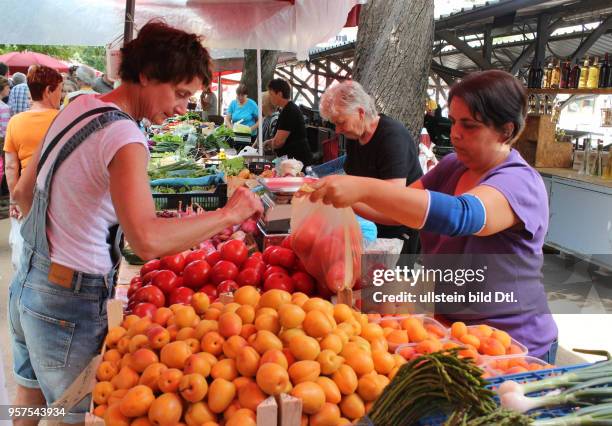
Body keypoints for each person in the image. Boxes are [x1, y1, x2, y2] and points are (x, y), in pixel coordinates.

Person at [9, 20, 262, 424]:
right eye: (179, 93)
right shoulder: (125, 135)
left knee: (30, 400)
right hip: (69, 304)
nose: (183, 107)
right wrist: (229, 213)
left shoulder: (76, 106)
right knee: (77, 415)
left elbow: (23, 193)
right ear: (145, 75)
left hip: (27, 287)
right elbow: (145, 242)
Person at [308, 70, 558, 362]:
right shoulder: (453, 166)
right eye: (453, 122)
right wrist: (342, 197)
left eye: (470, 126)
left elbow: (461, 216)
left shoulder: (519, 182)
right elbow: (396, 210)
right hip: (453, 334)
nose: (455, 134)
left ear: (506, 131)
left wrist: (363, 187)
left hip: (511, 346)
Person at [318, 80, 422, 259]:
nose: (337, 130)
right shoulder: (355, 137)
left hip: (401, 233)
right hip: (374, 228)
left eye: (341, 122)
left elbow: (395, 207)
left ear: (360, 112)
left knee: (392, 284)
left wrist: (348, 201)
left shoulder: (392, 137)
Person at [4, 65, 62, 272]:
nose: (61, 96)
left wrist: (14, 199)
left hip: (26, 195)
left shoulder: (16, 122)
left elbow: (11, 166)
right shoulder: (63, 120)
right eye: (59, 90)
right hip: (58, 196)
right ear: (48, 90)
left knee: (24, 252)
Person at [264, 78, 313, 166]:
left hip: (297, 161)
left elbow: (278, 142)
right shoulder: (286, 109)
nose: (270, 98)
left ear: (279, 94)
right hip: (293, 160)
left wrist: (268, 144)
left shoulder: (289, 111)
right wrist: (269, 142)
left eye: (271, 94)